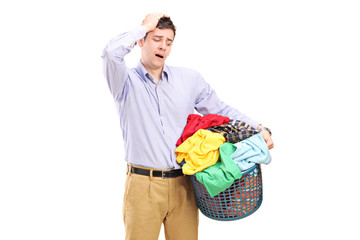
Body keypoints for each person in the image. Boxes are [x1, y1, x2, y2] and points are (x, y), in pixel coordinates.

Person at [102, 13, 274, 240]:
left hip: (185, 183)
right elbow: (111, 53)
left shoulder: (189, 79)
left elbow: (220, 111)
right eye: (156, 38)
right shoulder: (124, 82)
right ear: (142, 41)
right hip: (144, 186)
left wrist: (258, 128)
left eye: (168, 41)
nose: (163, 46)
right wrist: (143, 27)